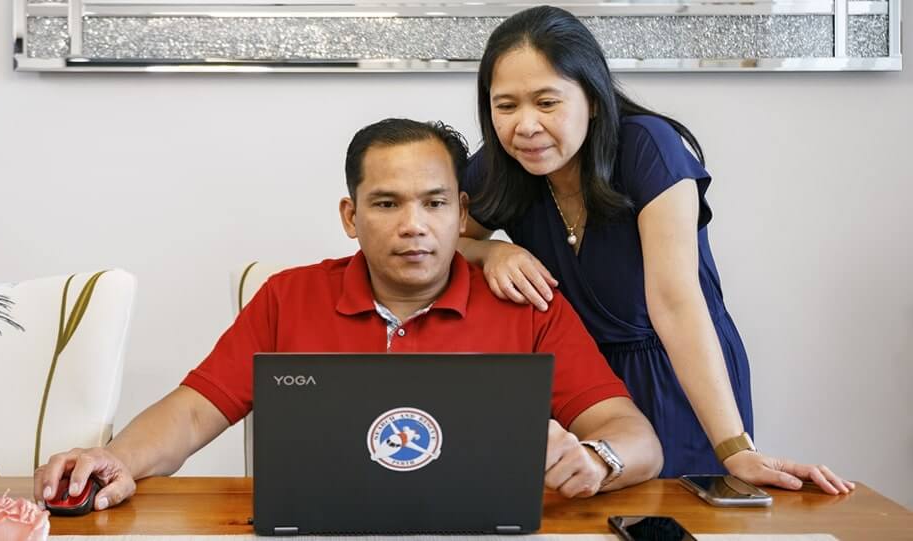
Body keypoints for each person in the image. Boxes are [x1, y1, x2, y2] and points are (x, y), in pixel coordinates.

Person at [34, 118, 663, 511]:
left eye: (434, 203)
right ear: (349, 216)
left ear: (460, 212)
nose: (413, 226)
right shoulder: (288, 296)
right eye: (386, 203)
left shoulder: (526, 303)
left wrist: (598, 458)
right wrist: (113, 460)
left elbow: (633, 435)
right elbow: (197, 407)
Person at [457, 6, 852, 493]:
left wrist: (735, 449)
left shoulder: (649, 148)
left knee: (679, 518)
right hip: (586, 382)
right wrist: (490, 253)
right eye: (506, 105)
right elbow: (435, 239)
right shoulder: (500, 166)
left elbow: (675, 304)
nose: (526, 125)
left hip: (676, 371)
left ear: (594, 100)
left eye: (547, 101)